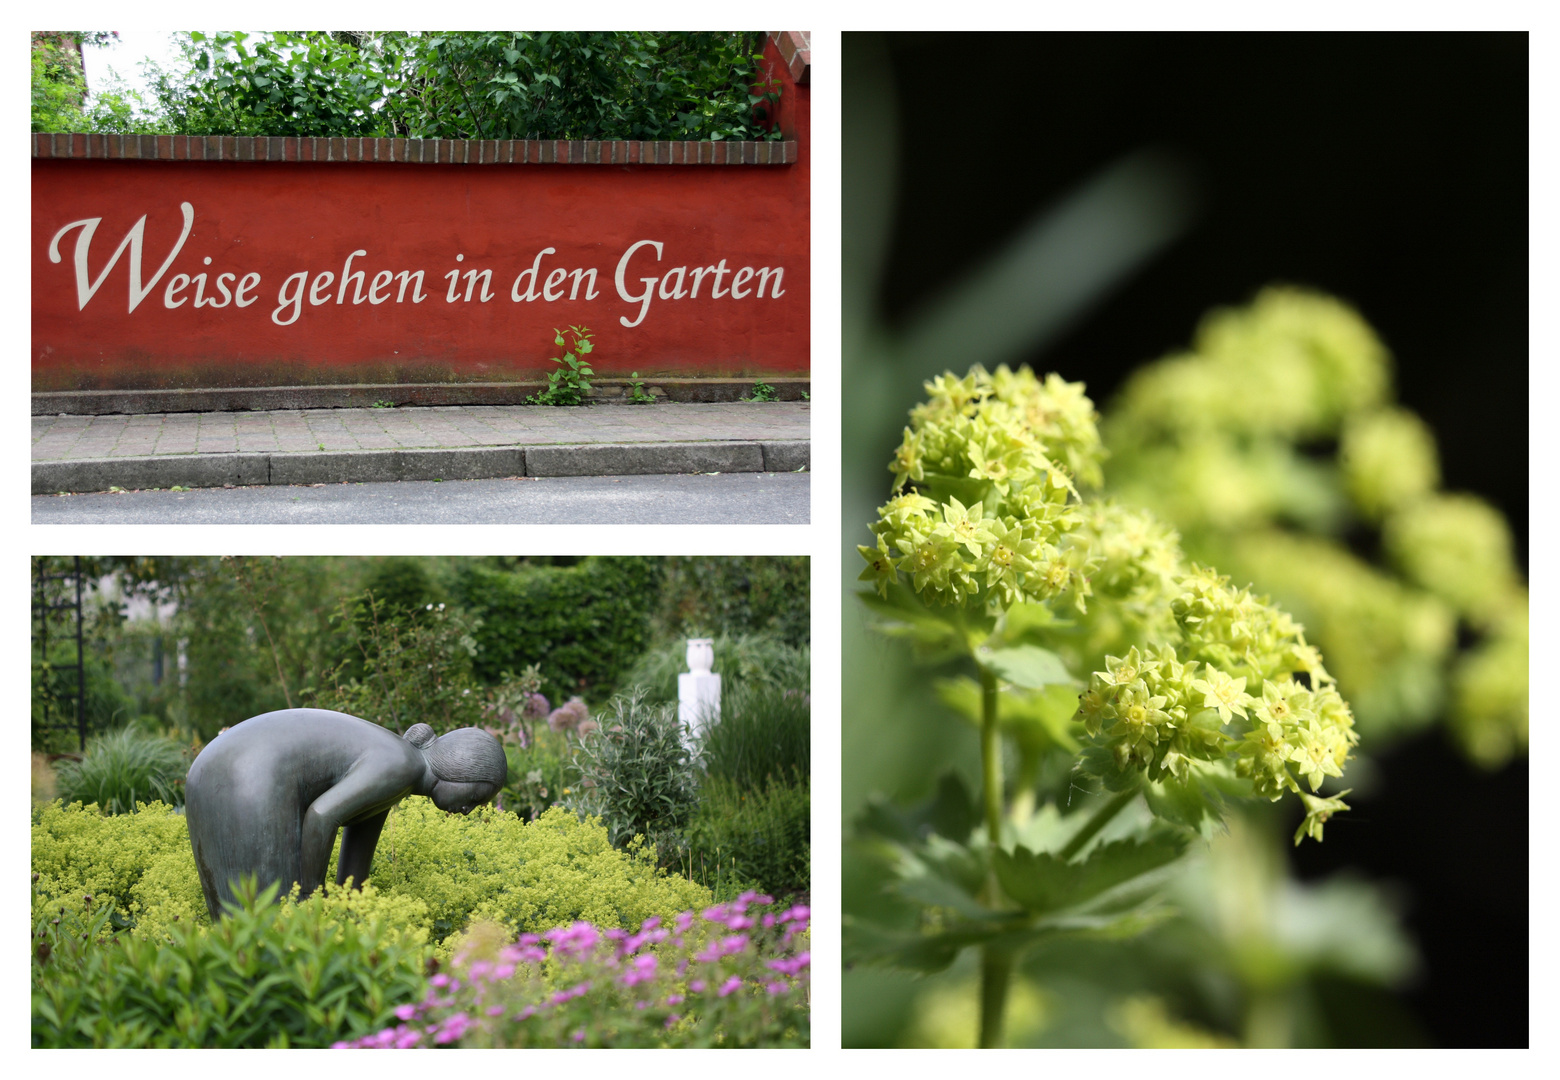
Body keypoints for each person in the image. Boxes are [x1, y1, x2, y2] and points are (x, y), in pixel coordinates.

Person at [185, 708, 507, 919]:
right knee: (270, 925)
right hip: (246, 774)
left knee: (253, 929)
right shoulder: (401, 766)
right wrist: (312, 893)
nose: (467, 810)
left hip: (227, 767)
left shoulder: (400, 770)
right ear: (462, 770)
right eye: (476, 796)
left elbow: (356, 864)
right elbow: (322, 816)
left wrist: (352, 909)